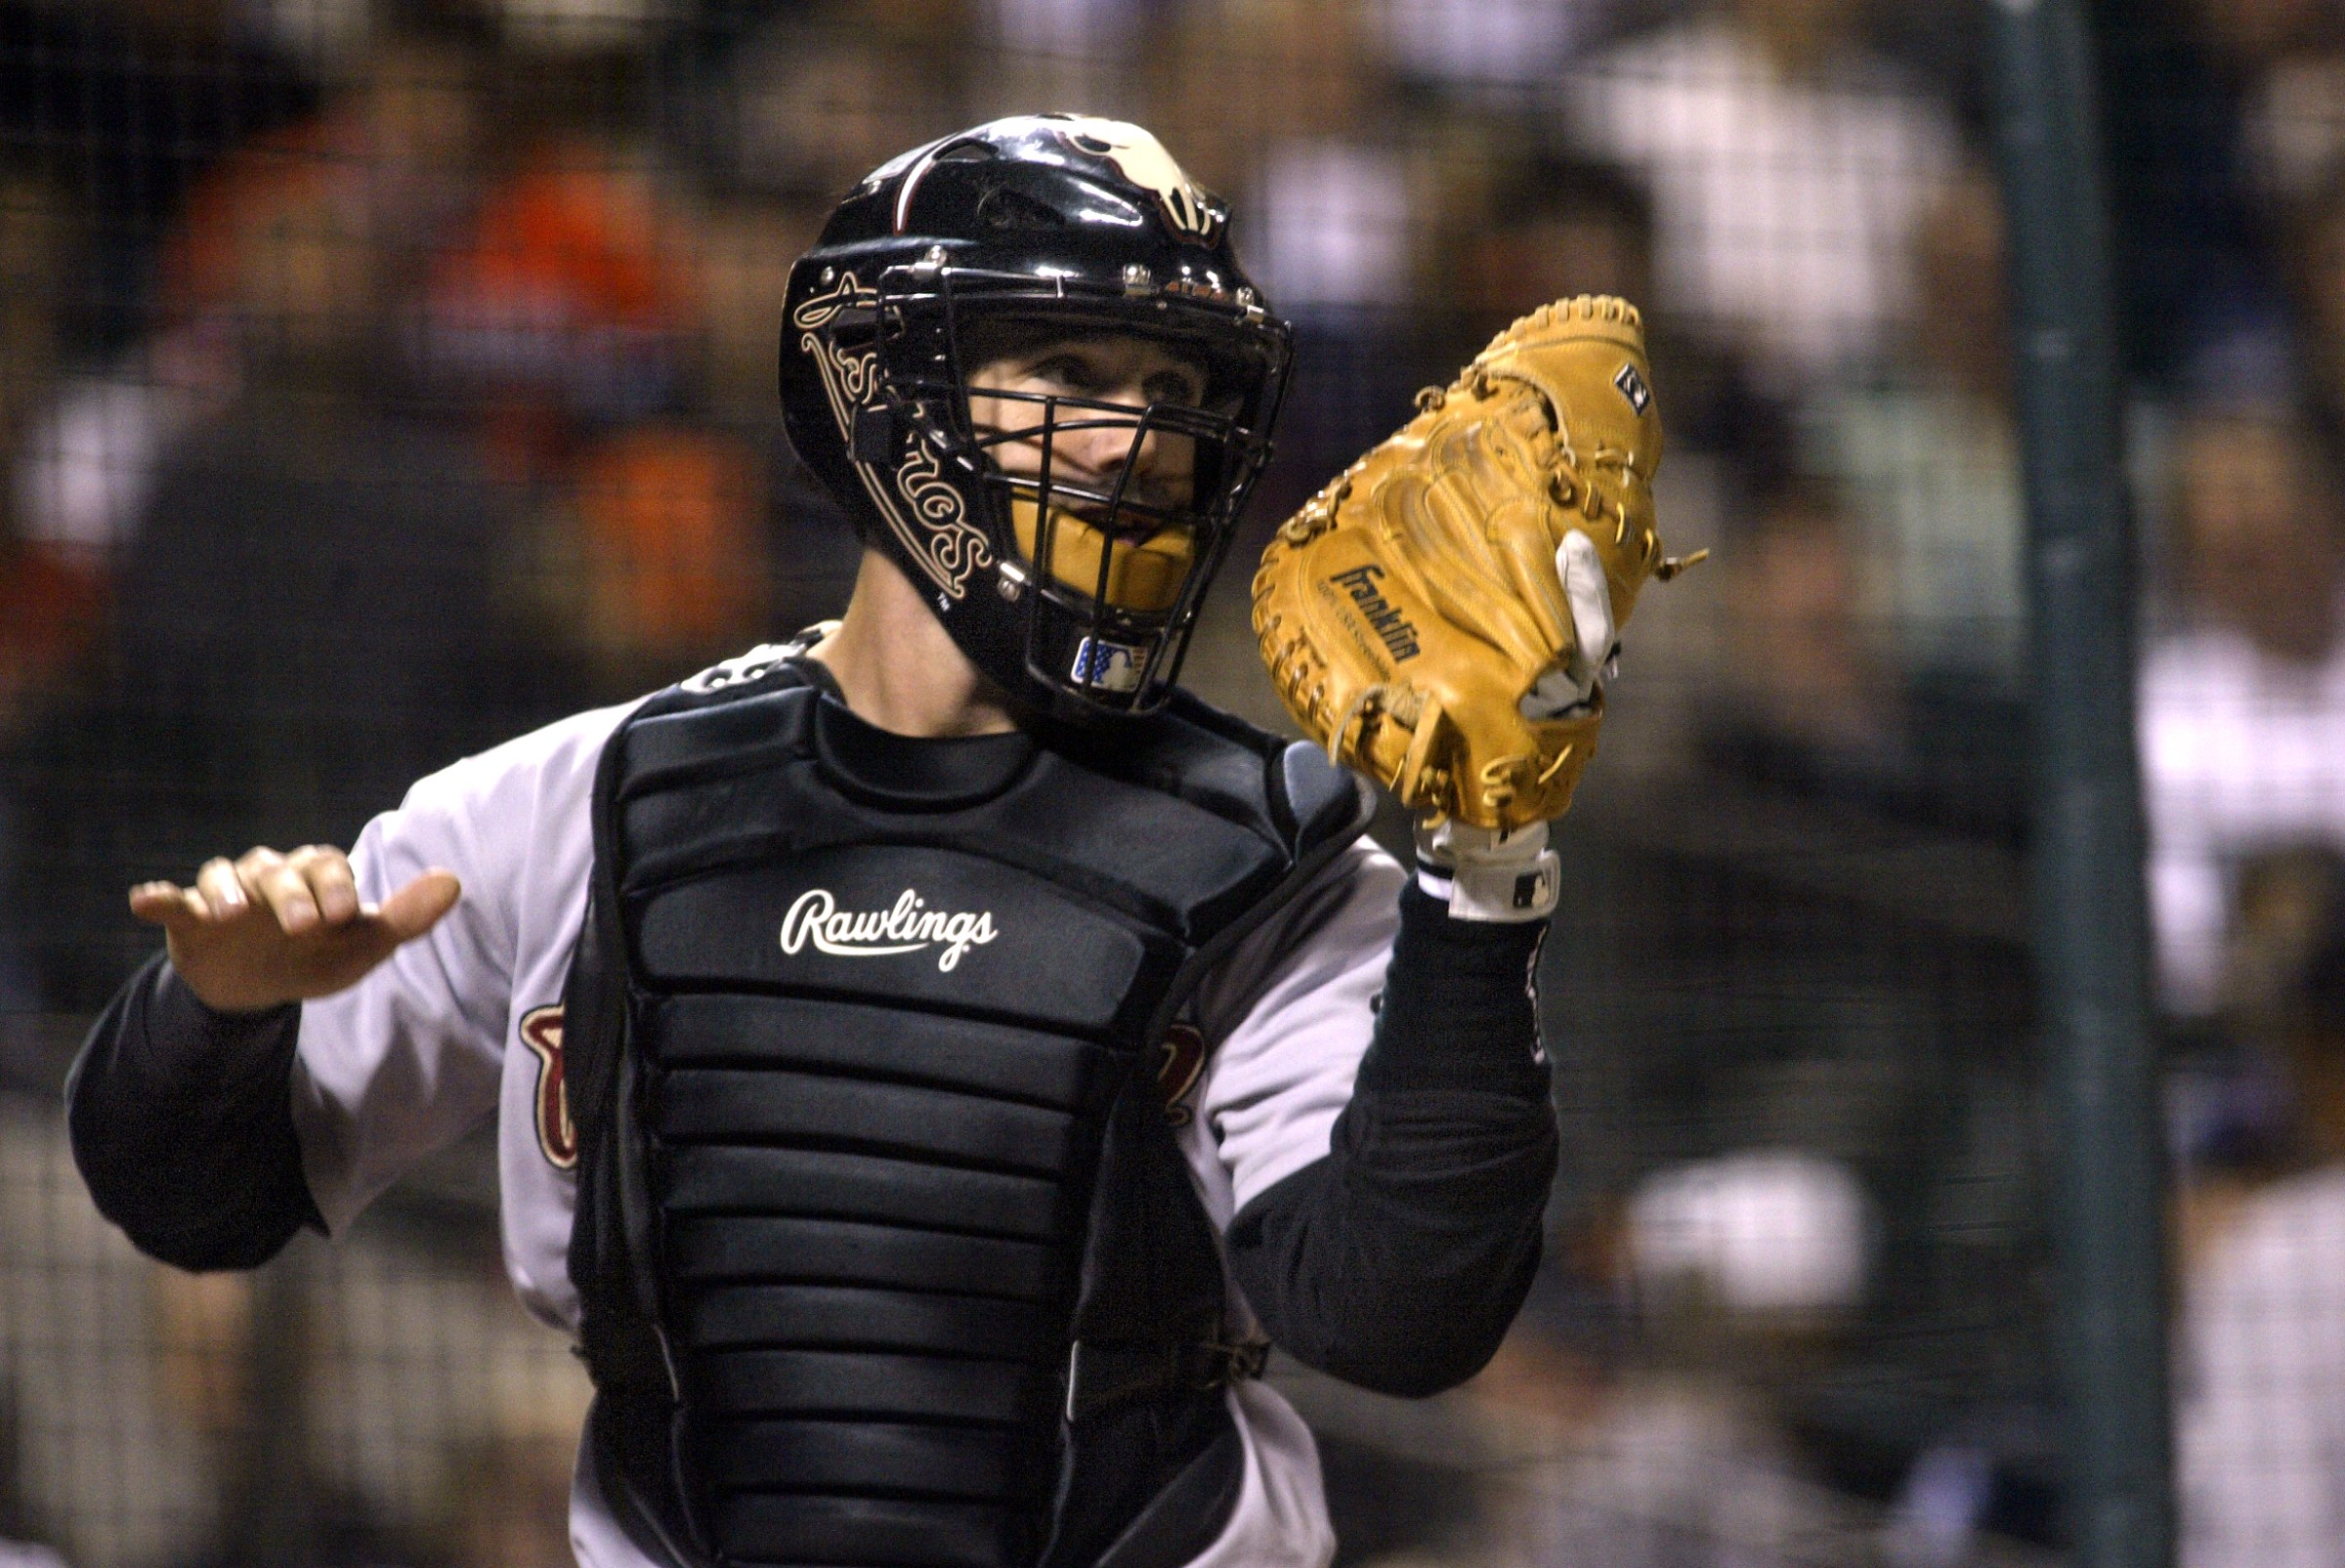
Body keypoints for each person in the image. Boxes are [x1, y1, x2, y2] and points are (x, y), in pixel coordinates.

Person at [65, 117, 1570, 1568]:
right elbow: (196, 1195)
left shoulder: (1283, 866)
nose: (1131, 443)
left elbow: (1395, 1314)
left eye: (1172, 390)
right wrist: (216, 1013)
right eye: (1067, 370)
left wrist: (1487, 881)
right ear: (891, 393)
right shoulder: (583, 805)